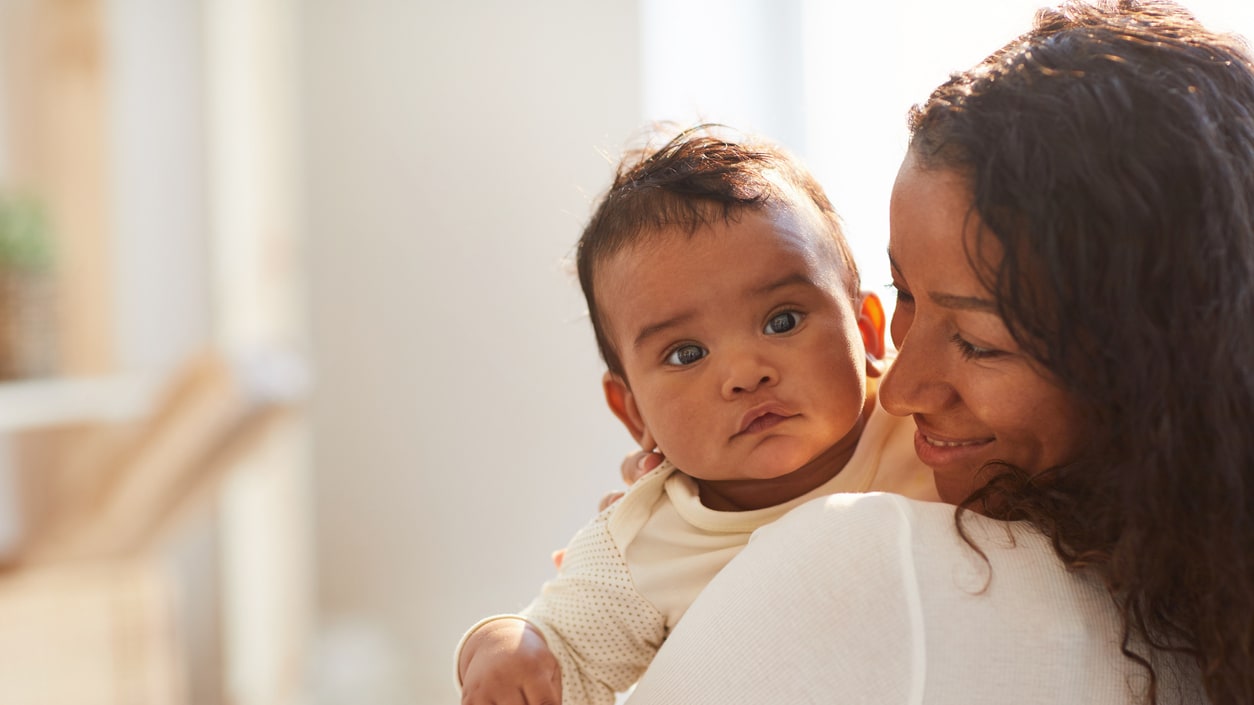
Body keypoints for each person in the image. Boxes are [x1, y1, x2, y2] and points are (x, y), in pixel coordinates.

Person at [619, 2, 1254, 704]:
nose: (896, 388)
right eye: (905, 294)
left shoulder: (858, 559)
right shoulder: (1209, 611)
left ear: (1153, 367)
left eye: (978, 343)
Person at [455, 126, 938, 705]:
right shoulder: (646, 536)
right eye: (687, 354)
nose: (744, 373)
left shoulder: (927, 424)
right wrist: (501, 644)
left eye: (782, 320)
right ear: (635, 415)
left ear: (865, 332)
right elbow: (563, 650)